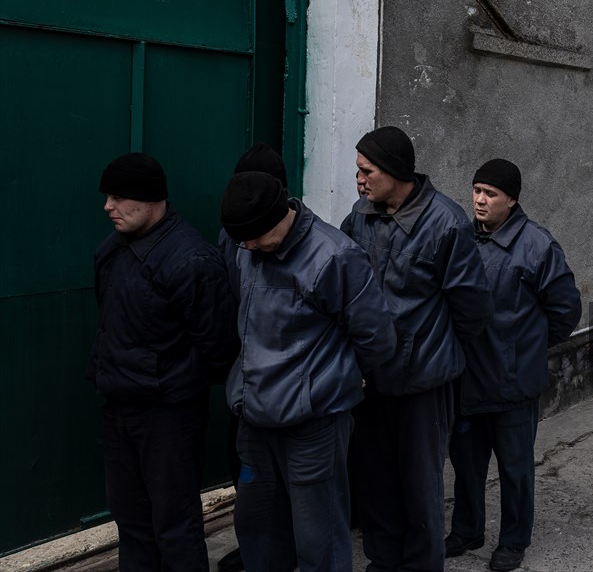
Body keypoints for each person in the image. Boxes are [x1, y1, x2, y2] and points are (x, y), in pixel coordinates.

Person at [221, 171, 397, 572]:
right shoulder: (247, 249)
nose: (245, 247)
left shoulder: (334, 256)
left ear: (278, 216)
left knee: (320, 541)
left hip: (312, 426)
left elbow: (377, 337)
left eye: (252, 237)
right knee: (258, 532)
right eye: (240, 240)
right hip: (255, 422)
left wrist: (340, 379)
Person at [341, 125, 493, 572]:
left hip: (423, 383)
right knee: (375, 480)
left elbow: (472, 308)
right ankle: (383, 561)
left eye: (367, 171)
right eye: (358, 171)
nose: (359, 181)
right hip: (370, 379)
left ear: (393, 171)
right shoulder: (360, 214)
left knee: (420, 486)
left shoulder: (445, 223)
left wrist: (432, 350)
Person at [88, 152, 238, 571]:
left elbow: (220, 346)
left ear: (151, 199)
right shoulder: (112, 250)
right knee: (132, 523)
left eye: (118, 198)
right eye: (107, 197)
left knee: (175, 525)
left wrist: (170, 383)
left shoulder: (191, 260)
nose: (108, 207)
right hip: (119, 406)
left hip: (168, 415)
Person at [446, 159, 582, 572]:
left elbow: (565, 310)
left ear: (512, 199)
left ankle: (513, 540)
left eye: (490, 193)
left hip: (512, 385)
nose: (480, 199)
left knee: (515, 469)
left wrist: (524, 348)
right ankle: (467, 530)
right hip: (467, 380)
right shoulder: (462, 238)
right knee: (466, 465)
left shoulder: (537, 246)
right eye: (476, 190)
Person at [216, 143, 289, 572]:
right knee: (241, 462)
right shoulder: (232, 232)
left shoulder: (296, 238)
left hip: (277, 371)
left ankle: (278, 546)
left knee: (277, 471)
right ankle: (257, 546)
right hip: (242, 366)